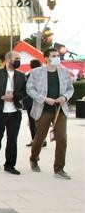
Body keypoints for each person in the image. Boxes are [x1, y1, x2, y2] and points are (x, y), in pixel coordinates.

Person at [27, 48, 74, 179]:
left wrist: (64, 97)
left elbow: (70, 88)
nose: (57, 57)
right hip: (43, 109)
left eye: (58, 55)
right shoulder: (36, 72)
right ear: (46, 58)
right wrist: (44, 99)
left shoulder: (64, 72)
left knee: (62, 138)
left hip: (60, 110)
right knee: (40, 138)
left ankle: (59, 169)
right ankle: (34, 158)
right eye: (54, 55)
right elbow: (29, 89)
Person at [23, 59, 42, 147]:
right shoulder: (43, 75)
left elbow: (25, 88)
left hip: (30, 102)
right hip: (41, 101)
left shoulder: (29, 75)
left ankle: (35, 140)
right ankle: (41, 140)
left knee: (32, 122)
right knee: (40, 122)